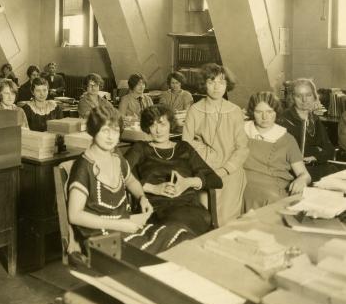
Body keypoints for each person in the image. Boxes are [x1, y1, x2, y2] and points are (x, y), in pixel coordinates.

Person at [67, 105, 193, 255]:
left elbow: (131, 181)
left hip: (124, 226)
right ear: (93, 131)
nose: (111, 137)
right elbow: (74, 215)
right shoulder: (83, 166)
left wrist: (142, 197)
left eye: (115, 131)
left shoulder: (116, 157)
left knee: (182, 236)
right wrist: (120, 225)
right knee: (164, 253)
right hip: (100, 238)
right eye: (105, 130)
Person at [125, 105, 222, 236]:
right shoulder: (140, 148)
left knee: (183, 225)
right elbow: (117, 173)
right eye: (153, 125)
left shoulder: (184, 148)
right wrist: (153, 188)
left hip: (188, 207)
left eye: (162, 124)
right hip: (155, 208)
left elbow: (215, 180)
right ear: (147, 128)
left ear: (171, 124)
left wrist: (188, 182)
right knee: (174, 229)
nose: (158, 130)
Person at [182, 63, 248, 226]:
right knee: (207, 218)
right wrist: (208, 156)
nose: (217, 87)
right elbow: (186, 144)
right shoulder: (195, 110)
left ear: (227, 85)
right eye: (211, 82)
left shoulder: (235, 111)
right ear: (204, 84)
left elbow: (242, 148)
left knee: (229, 222)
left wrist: (225, 169)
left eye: (221, 82)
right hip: (205, 170)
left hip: (231, 172)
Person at [243, 92, 311, 211]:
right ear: (252, 112)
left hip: (272, 190)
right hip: (241, 183)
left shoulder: (287, 139)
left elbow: (304, 174)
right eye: (259, 112)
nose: (265, 117)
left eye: (269, 112)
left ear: (276, 112)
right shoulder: (241, 131)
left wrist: (302, 179)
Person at [278, 78, 337, 181]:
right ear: (292, 97)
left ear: (314, 96)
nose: (304, 100)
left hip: (319, 167)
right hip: (297, 173)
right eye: (299, 96)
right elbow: (289, 154)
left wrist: (315, 157)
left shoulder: (314, 118)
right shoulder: (284, 120)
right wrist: (318, 151)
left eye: (308, 95)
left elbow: (329, 150)